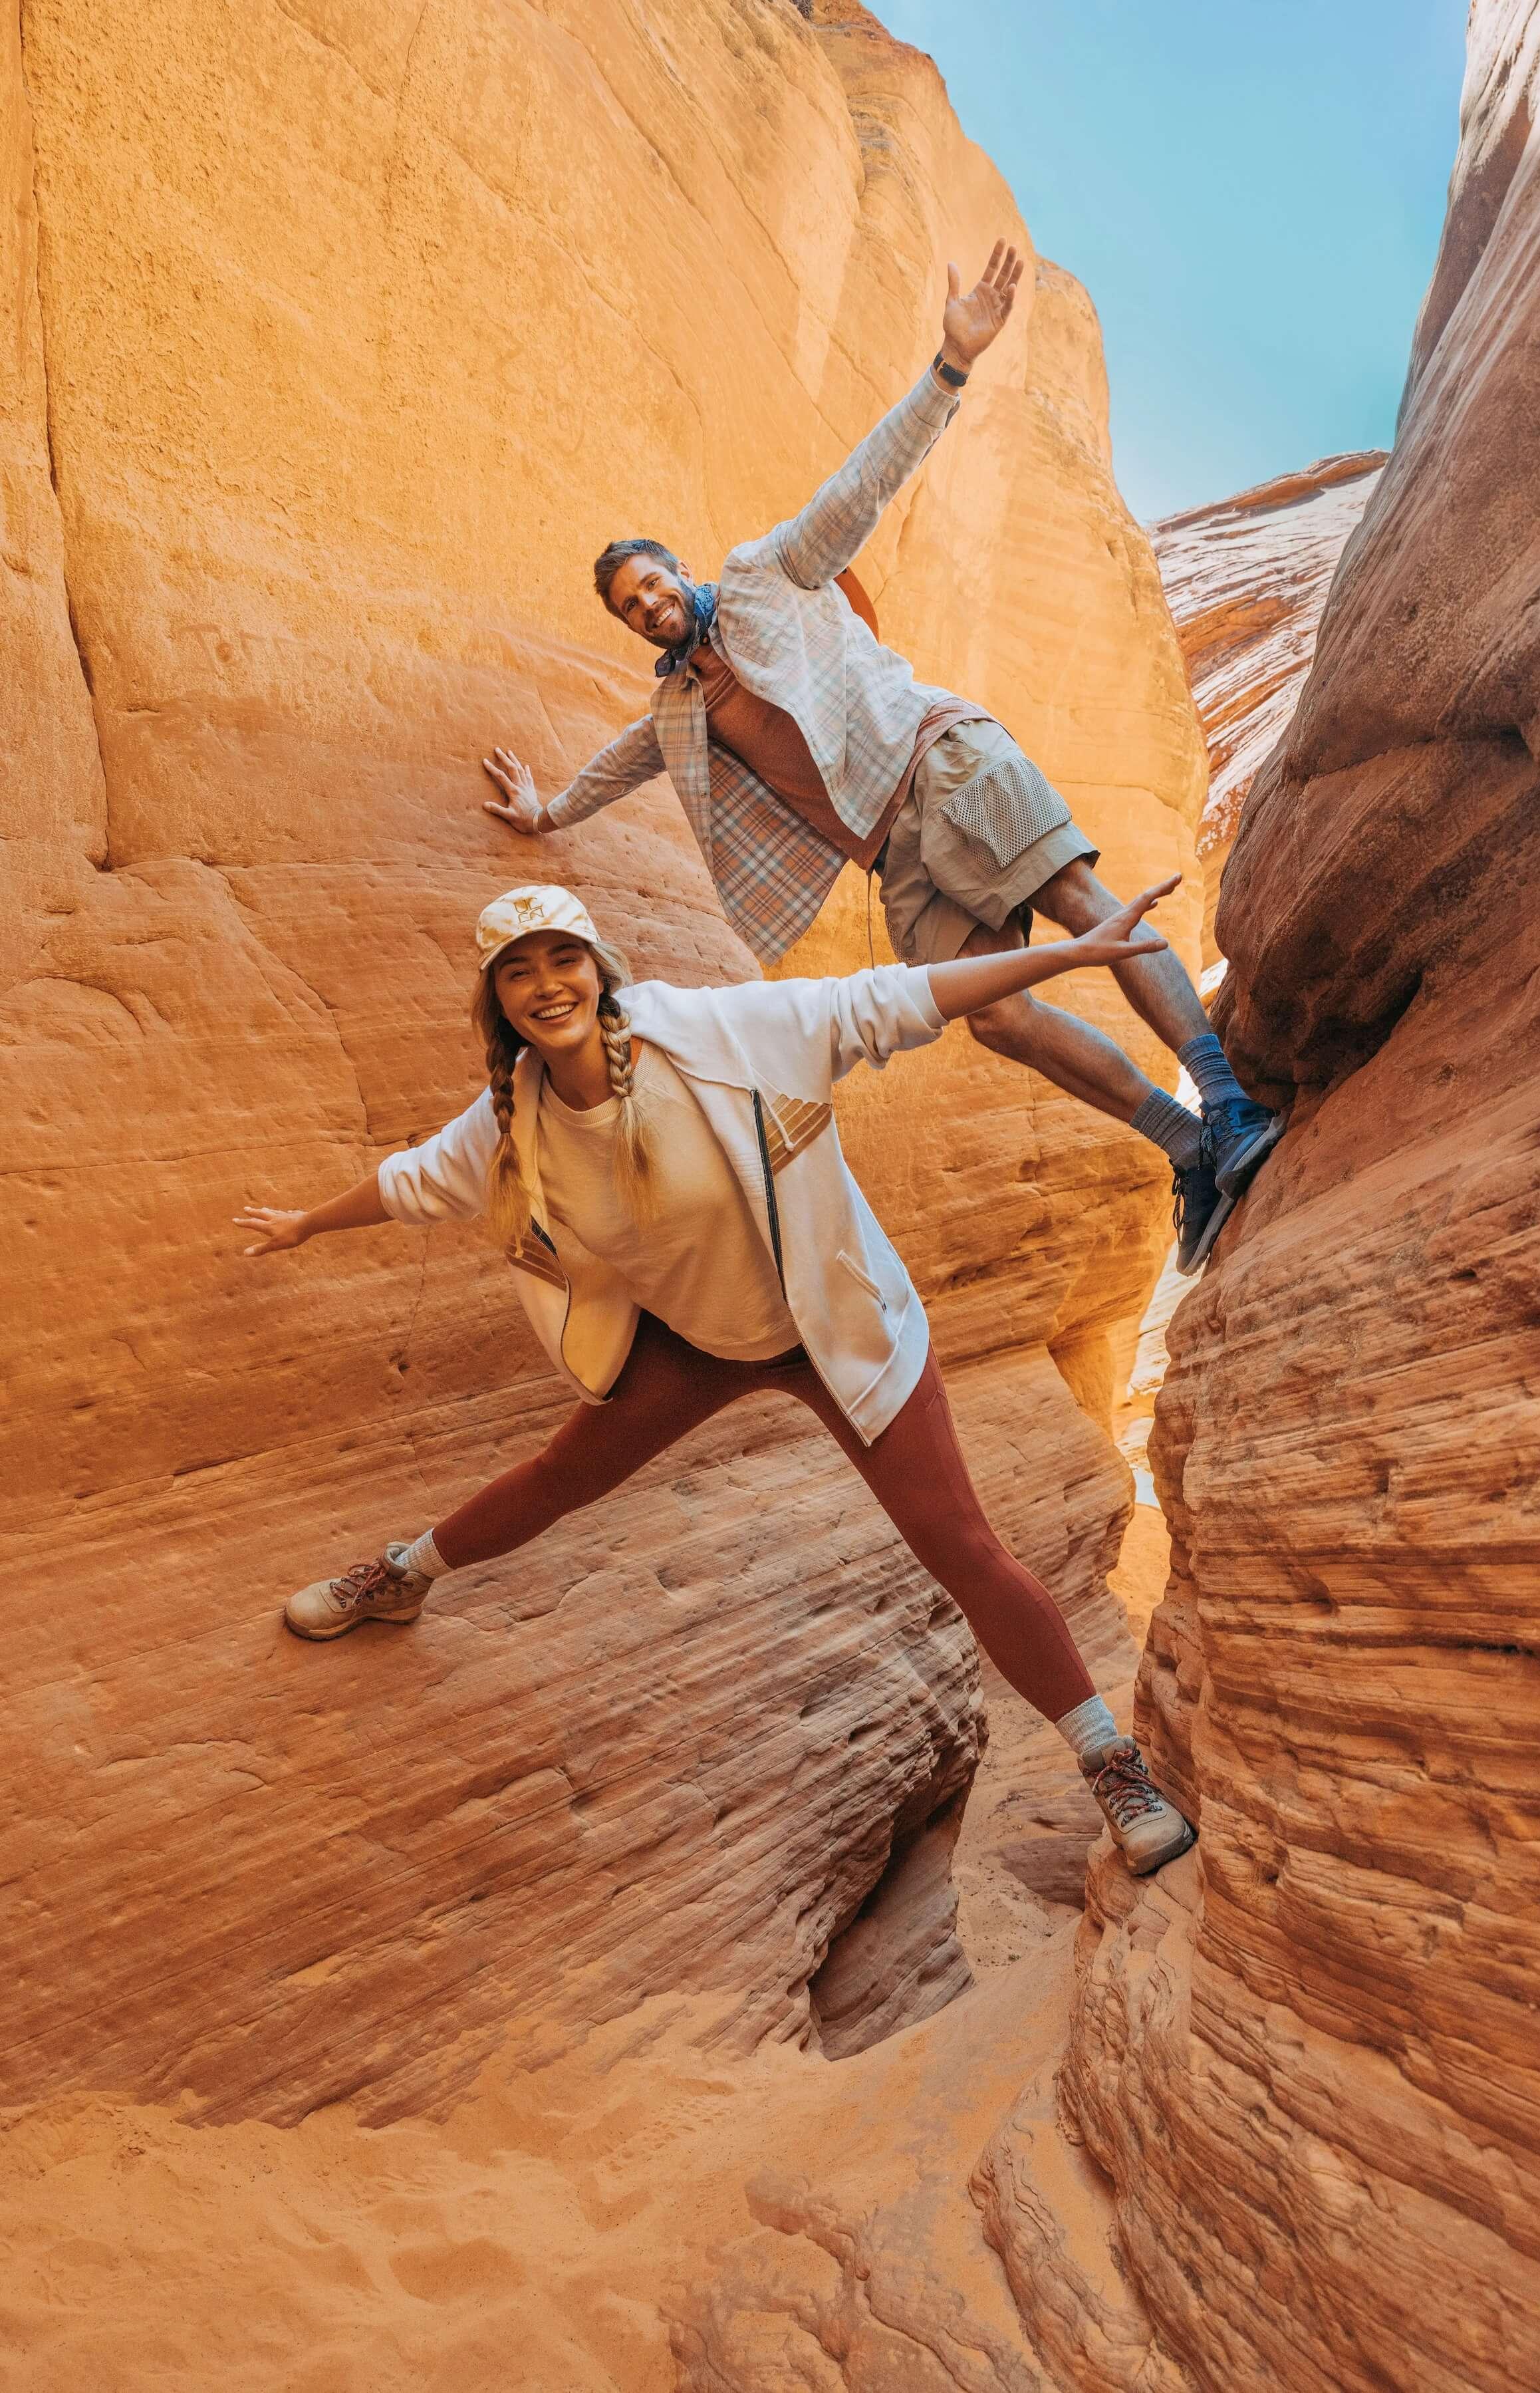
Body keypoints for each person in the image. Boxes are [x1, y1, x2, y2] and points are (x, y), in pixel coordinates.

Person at [237, 879, 1197, 1878]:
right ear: (497, 1002)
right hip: (697, 1344)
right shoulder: (511, 1116)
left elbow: (889, 998)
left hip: (837, 1328)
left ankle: (1111, 1763)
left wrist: (1065, 954)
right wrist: (307, 1223)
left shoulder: (720, 1034)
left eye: (563, 959)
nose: (546, 985)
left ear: (599, 971)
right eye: (517, 973)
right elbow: (414, 1180)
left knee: (959, 1545)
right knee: (561, 1475)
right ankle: (403, 1577)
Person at [480, 241, 1281, 1277]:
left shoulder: (764, 575)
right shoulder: (678, 706)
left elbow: (858, 489)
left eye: (652, 582)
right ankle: (1188, 1145)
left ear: (677, 568)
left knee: (1086, 905)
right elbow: (620, 765)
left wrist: (952, 366)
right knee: (993, 1015)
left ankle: (1227, 1101)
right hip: (892, 856)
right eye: (632, 607)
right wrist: (546, 812)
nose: (649, 604)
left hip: (940, 760)